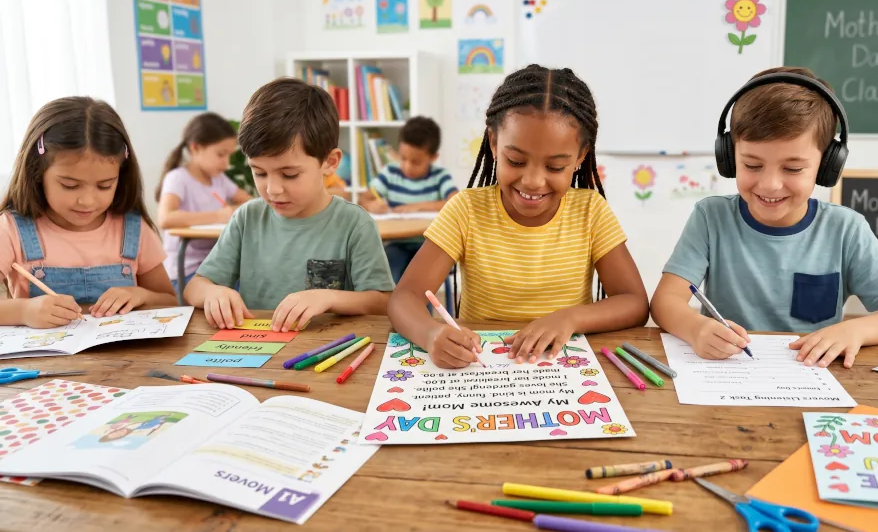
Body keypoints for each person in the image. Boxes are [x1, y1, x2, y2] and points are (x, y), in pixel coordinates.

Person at [650, 66, 878, 369]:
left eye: (793, 169)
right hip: (727, 374)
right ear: (730, 158)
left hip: (812, 376)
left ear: (827, 165)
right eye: (752, 165)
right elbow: (666, 301)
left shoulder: (846, 229)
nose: (770, 184)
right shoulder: (710, 217)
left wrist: (856, 329)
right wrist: (696, 328)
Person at [387, 65, 649, 368]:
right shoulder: (466, 210)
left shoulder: (591, 212)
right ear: (494, 143)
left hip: (564, 369)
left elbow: (634, 302)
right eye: (516, 160)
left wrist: (570, 317)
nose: (533, 181)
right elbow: (404, 297)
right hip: (480, 368)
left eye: (554, 167)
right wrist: (431, 333)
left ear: (579, 157)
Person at [183, 77, 395, 332]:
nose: (273, 189)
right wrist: (212, 293)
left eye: (289, 174)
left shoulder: (354, 224)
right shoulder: (247, 218)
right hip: (256, 351)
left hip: (323, 353)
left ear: (329, 162)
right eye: (259, 173)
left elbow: (383, 302)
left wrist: (328, 298)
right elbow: (195, 287)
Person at [0, 97, 177, 327]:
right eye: (70, 185)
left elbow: (170, 303)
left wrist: (141, 296)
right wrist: (24, 312)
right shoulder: (11, 229)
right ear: (37, 173)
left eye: (105, 185)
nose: (87, 201)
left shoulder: (132, 228)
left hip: (126, 360)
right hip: (44, 361)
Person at [155, 112, 252, 290]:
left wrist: (237, 209)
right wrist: (218, 215)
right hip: (187, 271)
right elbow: (166, 218)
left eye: (229, 155)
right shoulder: (178, 178)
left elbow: (250, 203)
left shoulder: (219, 179)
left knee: (255, 285)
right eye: (221, 154)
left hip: (216, 267)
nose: (227, 163)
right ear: (195, 148)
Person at [357, 116, 458, 283]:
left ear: (433, 157)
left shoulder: (439, 176)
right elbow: (364, 198)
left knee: (420, 283)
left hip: (428, 245)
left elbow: (455, 201)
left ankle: (418, 309)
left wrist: (418, 206)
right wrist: (371, 204)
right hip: (397, 243)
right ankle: (390, 308)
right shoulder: (391, 173)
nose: (407, 166)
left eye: (416, 162)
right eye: (403, 158)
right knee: (389, 277)